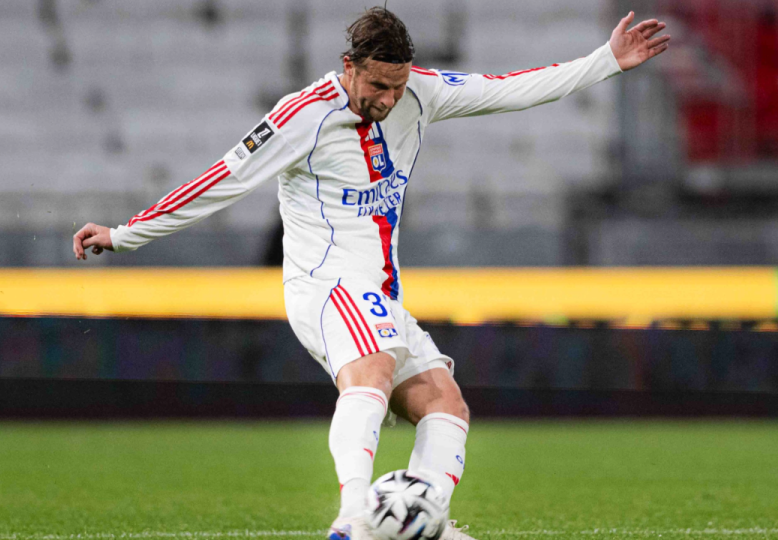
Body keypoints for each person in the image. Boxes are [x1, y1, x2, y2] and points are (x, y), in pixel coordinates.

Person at [72, 7, 669, 539]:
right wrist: (127, 233)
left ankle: (421, 521)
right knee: (374, 370)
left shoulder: (420, 93)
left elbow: (509, 89)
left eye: (397, 85)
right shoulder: (300, 116)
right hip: (326, 285)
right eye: (378, 85)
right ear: (349, 66)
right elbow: (223, 178)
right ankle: (356, 518)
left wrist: (604, 63)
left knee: (446, 405)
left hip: (380, 293)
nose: (387, 99)